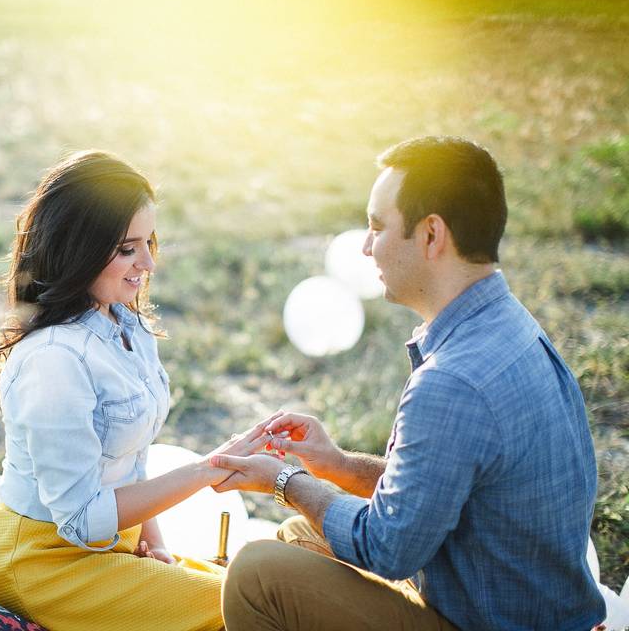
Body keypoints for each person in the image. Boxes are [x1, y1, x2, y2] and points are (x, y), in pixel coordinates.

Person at [210, 136, 606, 630]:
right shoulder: (510, 325)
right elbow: (433, 495)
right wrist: (336, 464)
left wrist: (284, 479)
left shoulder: (453, 381)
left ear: (431, 235)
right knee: (300, 536)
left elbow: (388, 548)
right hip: (518, 606)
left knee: (256, 575)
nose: (365, 245)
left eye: (377, 226)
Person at [0, 150, 270, 631]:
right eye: (128, 249)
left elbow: (130, 462)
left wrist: (152, 544)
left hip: (111, 544)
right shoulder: (54, 360)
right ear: (80, 249)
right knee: (252, 608)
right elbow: (81, 521)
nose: (149, 263)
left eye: (149, 242)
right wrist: (206, 471)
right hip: (42, 566)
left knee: (265, 588)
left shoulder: (126, 326)